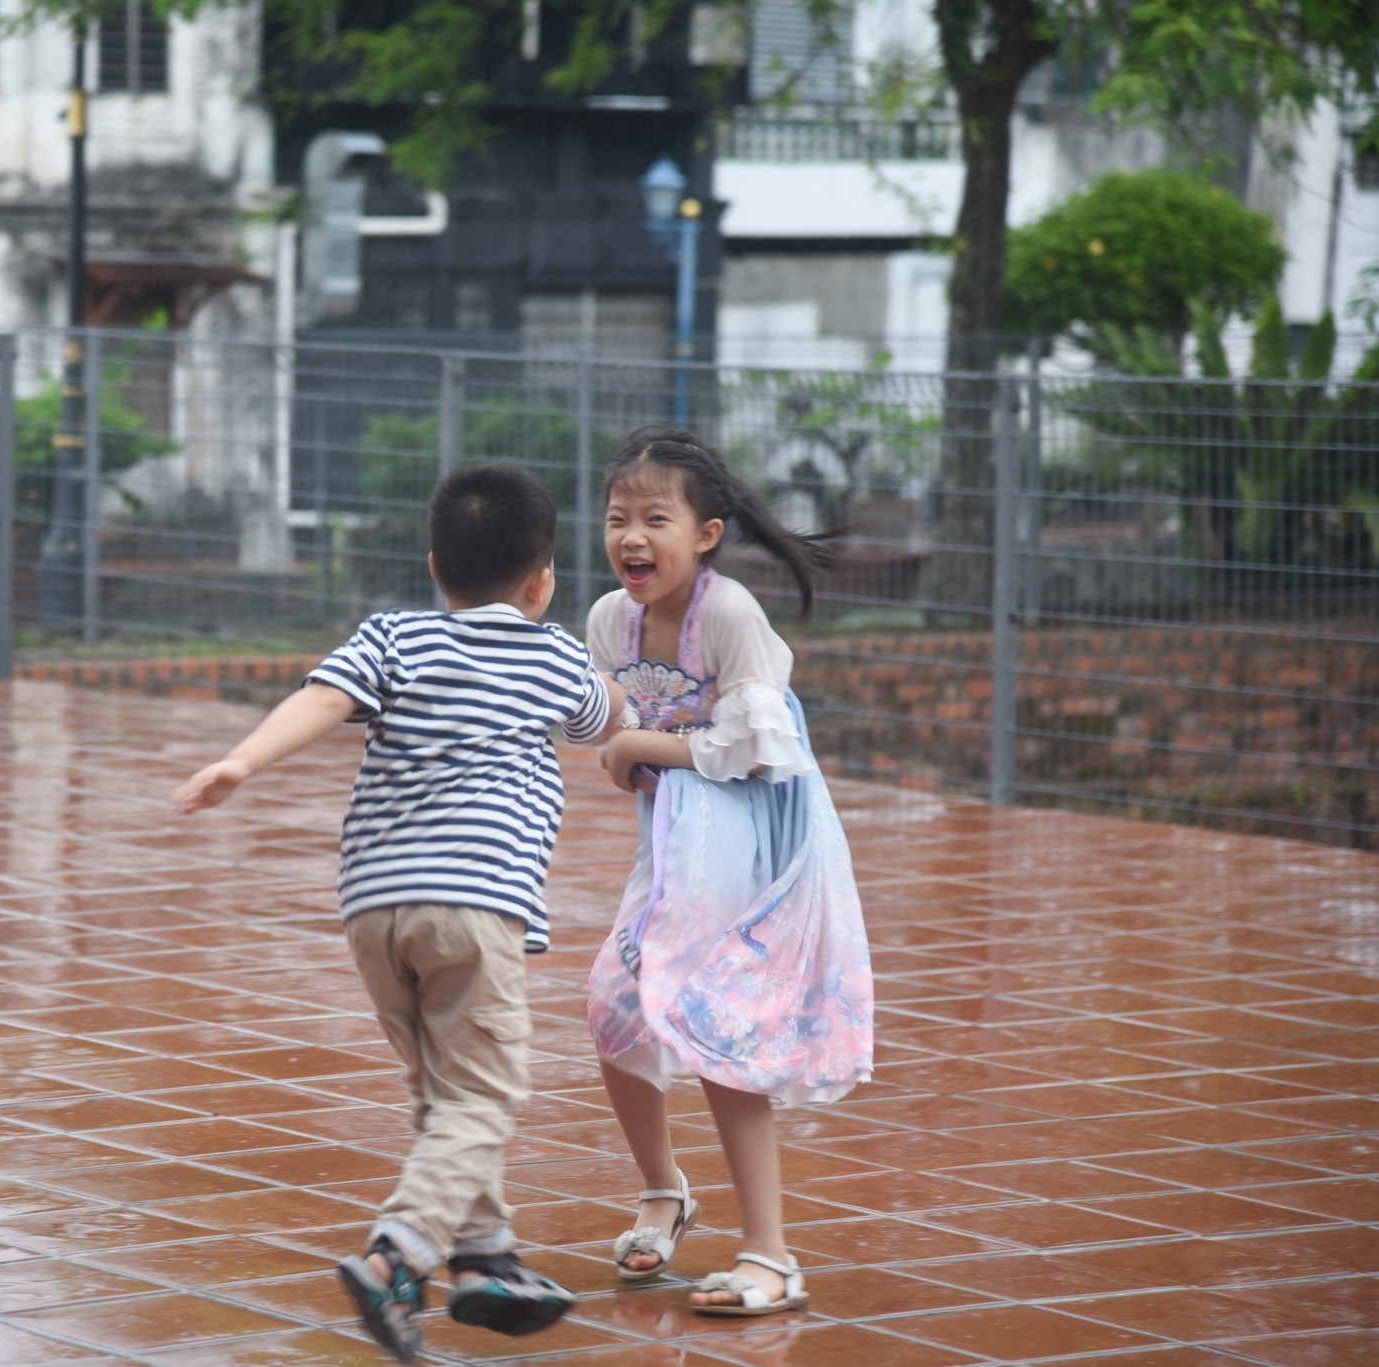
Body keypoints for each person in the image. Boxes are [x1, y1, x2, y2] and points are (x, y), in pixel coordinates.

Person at [173, 463, 622, 1363]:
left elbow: (324, 697)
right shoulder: (556, 653)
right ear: (542, 582)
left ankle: (486, 1259)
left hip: (375, 908)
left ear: (433, 566)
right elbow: (607, 722)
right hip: (474, 903)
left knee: (442, 1091)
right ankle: (397, 1255)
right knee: (486, 1091)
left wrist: (241, 763)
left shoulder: (393, 637)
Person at [585, 426, 874, 1316]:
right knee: (616, 1005)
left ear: (705, 532)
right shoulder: (606, 619)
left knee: (720, 1029)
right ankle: (665, 1188)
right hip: (675, 847)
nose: (632, 536)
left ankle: (771, 1255)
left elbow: (757, 749)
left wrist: (642, 744)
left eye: (655, 518)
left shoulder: (730, 614)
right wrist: (622, 749)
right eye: (616, 517)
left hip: (759, 841)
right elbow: (603, 724)